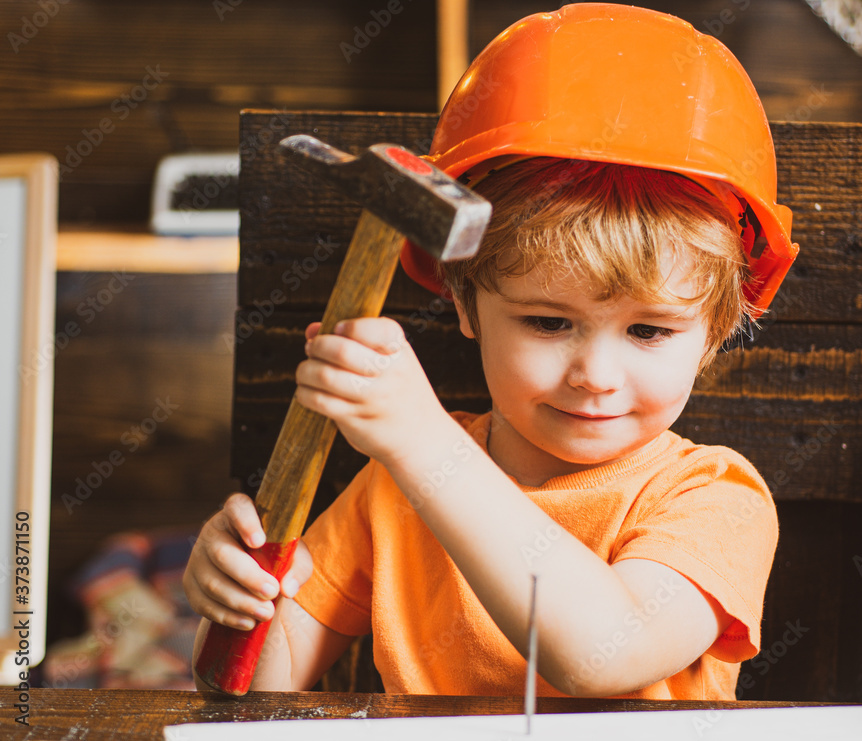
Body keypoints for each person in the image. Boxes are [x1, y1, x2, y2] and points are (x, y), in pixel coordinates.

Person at [184, 4, 799, 700]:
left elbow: (601, 654)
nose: (595, 376)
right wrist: (235, 598)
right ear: (467, 303)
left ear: (714, 331)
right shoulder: (393, 490)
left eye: (649, 331)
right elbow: (256, 687)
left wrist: (425, 444)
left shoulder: (714, 499)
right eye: (546, 322)